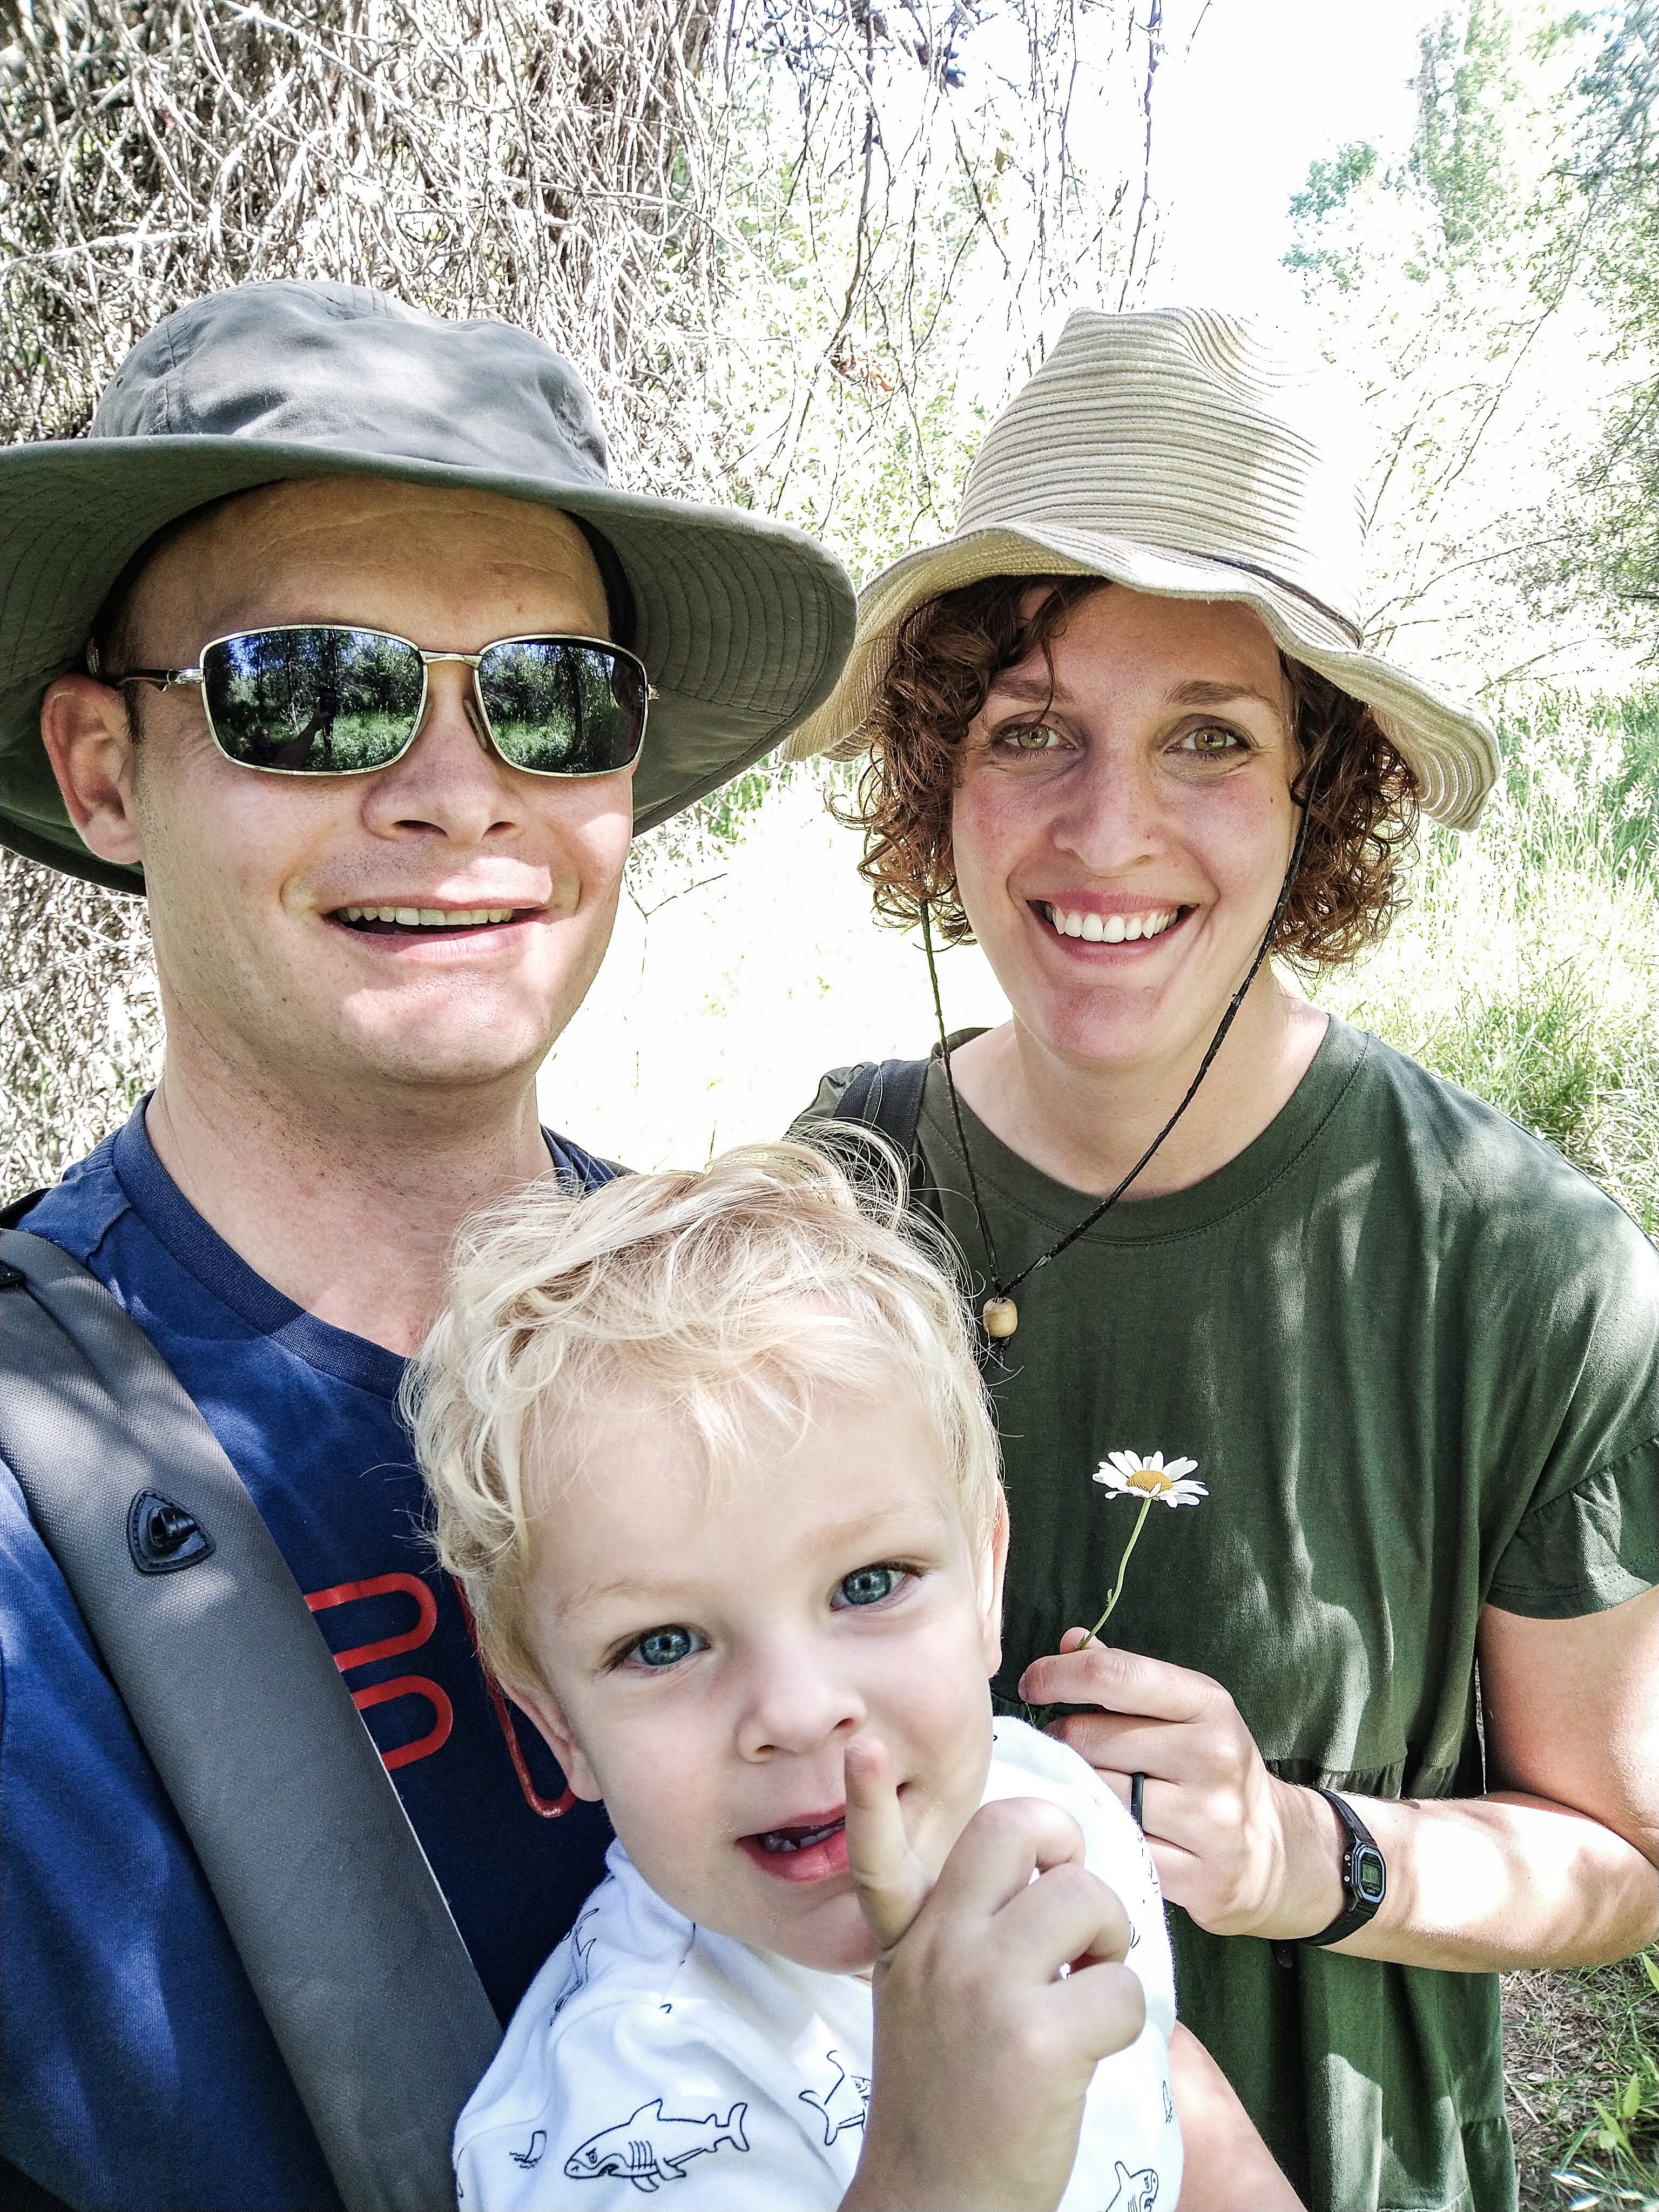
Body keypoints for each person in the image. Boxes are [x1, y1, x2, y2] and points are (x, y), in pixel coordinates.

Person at [0, 278, 1057, 2212]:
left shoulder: (767, 1341)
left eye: (550, 698)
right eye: (310, 687)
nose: (456, 790)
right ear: (102, 767)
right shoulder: (24, 1539)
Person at [790, 306, 1659, 2212]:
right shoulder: (834, 1201)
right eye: (1032, 730)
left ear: (1314, 792)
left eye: (1211, 736)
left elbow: (1617, 1860)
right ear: (939, 775)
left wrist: (1295, 1851)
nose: (1110, 829)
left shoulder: (1521, 1268)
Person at [410, 1144, 1177, 2210]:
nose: (800, 1711)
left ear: (986, 1578)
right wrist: (940, 2180)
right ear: (561, 1726)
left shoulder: (1048, 1797)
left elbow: (1157, 2081)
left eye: (869, 1583)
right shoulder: (633, 2107)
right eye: (664, 1643)